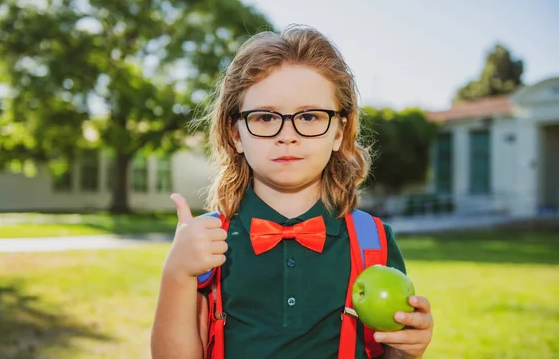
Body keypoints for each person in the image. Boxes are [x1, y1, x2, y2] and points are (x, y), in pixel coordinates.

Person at [150, 24, 433, 359]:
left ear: (340, 132)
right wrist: (177, 272)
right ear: (236, 133)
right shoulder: (206, 243)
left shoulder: (375, 242)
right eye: (266, 117)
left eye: (310, 116)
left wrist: (405, 350)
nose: (288, 135)